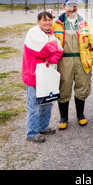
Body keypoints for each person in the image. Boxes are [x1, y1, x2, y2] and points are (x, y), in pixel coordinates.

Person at [52, 0, 93, 130]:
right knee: (64, 87)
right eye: (69, 6)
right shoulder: (56, 24)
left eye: (75, 6)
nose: (72, 9)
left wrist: (90, 59)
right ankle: (63, 117)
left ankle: (80, 115)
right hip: (64, 61)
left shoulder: (84, 24)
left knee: (82, 87)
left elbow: (91, 44)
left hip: (81, 60)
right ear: (64, 7)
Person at [22, 11, 63, 143]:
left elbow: (60, 51)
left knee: (47, 103)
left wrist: (51, 57)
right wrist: (53, 48)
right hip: (34, 75)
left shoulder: (51, 34)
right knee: (34, 106)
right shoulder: (33, 33)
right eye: (44, 20)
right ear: (38, 21)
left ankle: (43, 127)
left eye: (49, 20)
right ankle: (32, 133)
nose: (47, 22)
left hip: (47, 75)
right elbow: (41, 51)